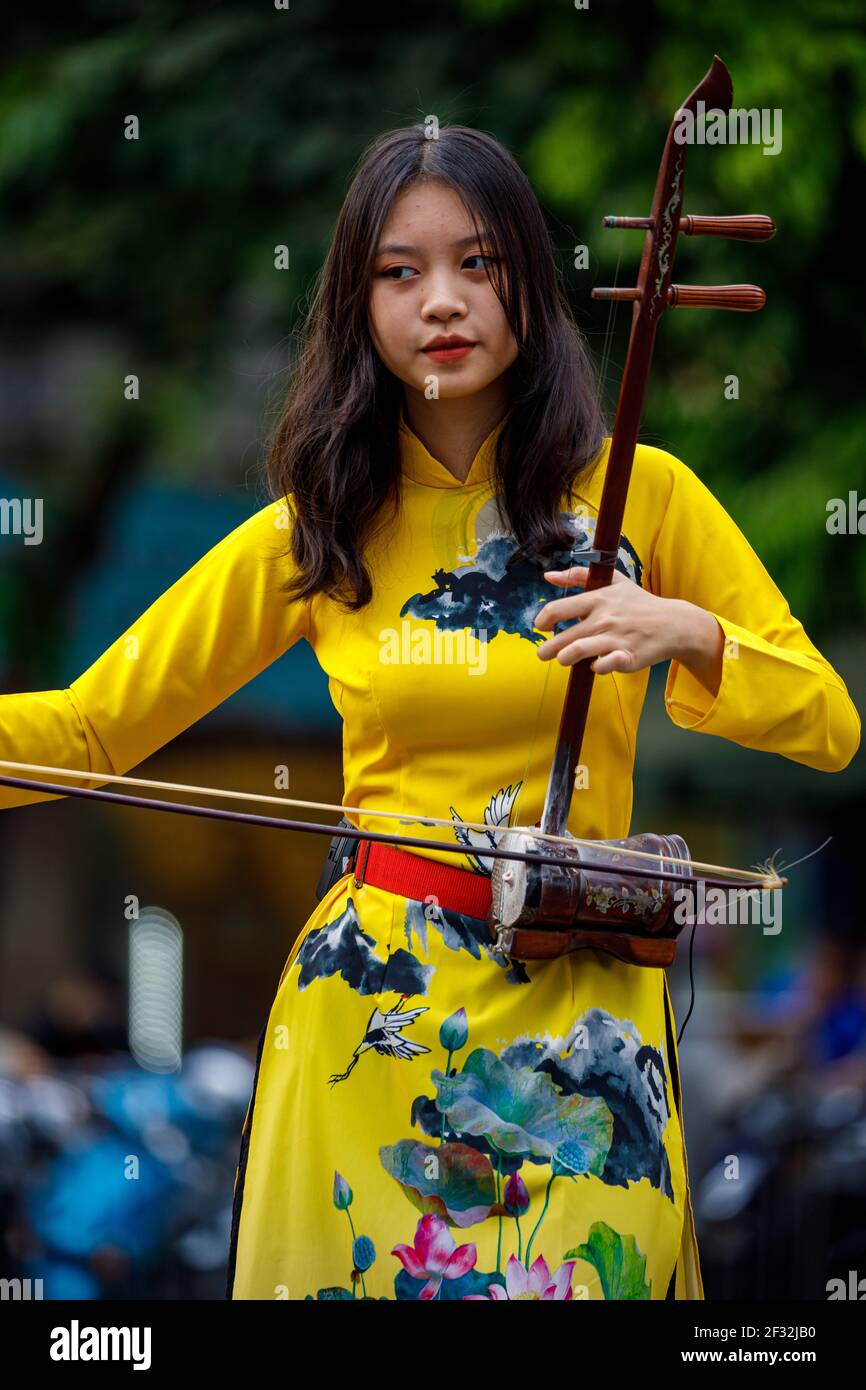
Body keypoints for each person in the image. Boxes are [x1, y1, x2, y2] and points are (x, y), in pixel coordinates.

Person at [0, 125, 859, 1303]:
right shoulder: (317, 527)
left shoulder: (639, 495)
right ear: (358, 305)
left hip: (582, 1020)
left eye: (477, 263)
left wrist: (688, 634)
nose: (441, 302)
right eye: (398, 272)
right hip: (373, 1015)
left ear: (526, 282)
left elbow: (826, 723)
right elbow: (92, 730)